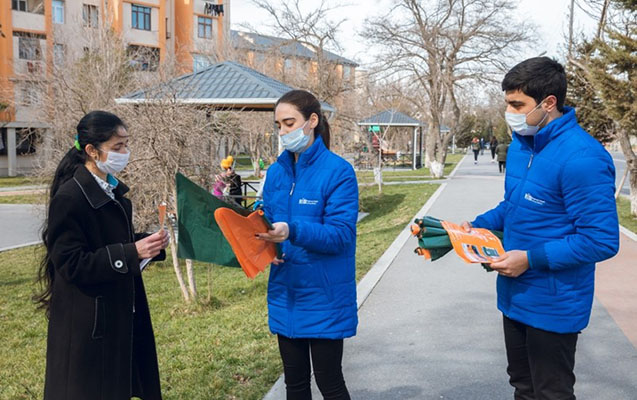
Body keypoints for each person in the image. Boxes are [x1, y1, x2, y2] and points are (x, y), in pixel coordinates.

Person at [461, 57, 619, 400]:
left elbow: (600, 240)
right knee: (522, 386)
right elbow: (514, 206)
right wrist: (476, 226)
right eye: (507, 103)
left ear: (549, 103)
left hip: (555, 303)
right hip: (514, 296)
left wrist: (530, 259)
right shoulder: (522, 146)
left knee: (551, 393)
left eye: (517, 105)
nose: (510, 112)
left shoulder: (583, 158)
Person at [35, 111, 169, 400]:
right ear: (92, 151)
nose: (125, 152)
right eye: (117, 146)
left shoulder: (113, 193)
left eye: (126, 144)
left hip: (117, 317)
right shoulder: (70, 198)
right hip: (87, 325)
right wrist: (130, 252)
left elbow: (109, 242)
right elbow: (70, 263)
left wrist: (148, 244)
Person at [257, 89, 358, 400]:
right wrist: (267, 246)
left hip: (324, 295)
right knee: (295, 384)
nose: (283, 132)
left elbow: (340, 235)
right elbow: (266, 219)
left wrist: (292, 231)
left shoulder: (338, 172)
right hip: (286, 293)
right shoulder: (276, 172)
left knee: (330, 384)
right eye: (278, 125)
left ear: (312, 121)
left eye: (289, 123)